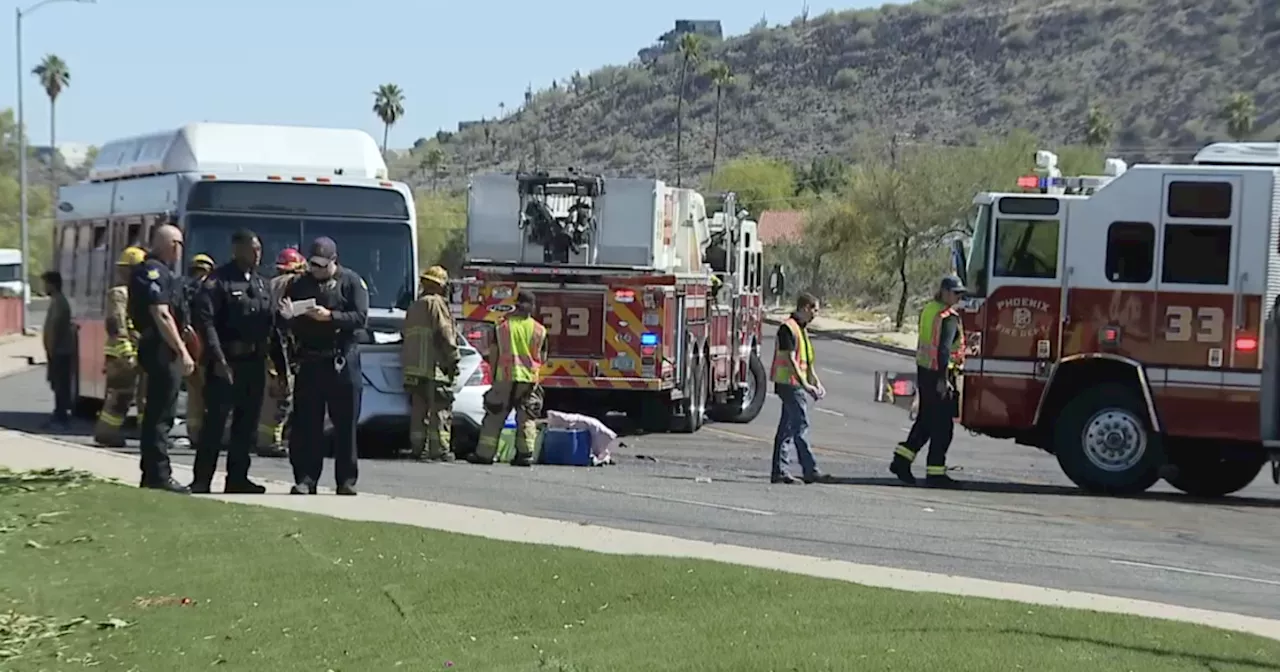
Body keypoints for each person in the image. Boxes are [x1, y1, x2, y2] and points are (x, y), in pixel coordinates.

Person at [189, 230, 284, 494]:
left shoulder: (262, 284)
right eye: (252, 249)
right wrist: (218, 360)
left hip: (254, 363)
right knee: (216, 423)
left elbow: (272, 327)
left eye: (259, 249)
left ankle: (238, 478)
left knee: (247, 424)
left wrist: (280, 368)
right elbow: (206, 325)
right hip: (227, 361)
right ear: (237, 250)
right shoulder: (217, 283)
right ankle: (202, 479)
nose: (257, 254)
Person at [279, 237, 368, 495]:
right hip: (310, 361)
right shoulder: (300, 284)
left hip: (342, 360)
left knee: (345, 424)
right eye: (312, 264)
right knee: (307, 424)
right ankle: (306, 479)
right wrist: (288, 314)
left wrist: (330, 317)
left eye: (321, 265)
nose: (315, 270)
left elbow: (360, 318)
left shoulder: (351, 282)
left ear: (333, 261)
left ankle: (346, 480)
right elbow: (287, 322)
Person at [128, 224, 195, 493]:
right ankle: (158, 474)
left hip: (162, 346)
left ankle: (154, 473)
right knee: (161, 416)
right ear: (172, 245)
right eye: (179, 244)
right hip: (160, 348)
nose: (181, 251)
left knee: (162, 413)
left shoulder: (166, 273)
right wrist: (182, 351)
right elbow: (161, 314)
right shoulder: (151, 271)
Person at [891, 275, 967, 488]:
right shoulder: (947, 317)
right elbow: (943, 350)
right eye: (955, 293)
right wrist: (944, 379)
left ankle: (901, 460)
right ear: (944, 292)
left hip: (925, 372)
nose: (959, 297)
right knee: (943, 427)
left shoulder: (928, 310)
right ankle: (935, 473)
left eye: (961, 293)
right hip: (940, 375)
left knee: (926, 421)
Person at [469, 290, 547, 467]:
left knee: (495, 414)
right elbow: (542, 357)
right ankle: (525, 454)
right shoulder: (539, 330)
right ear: (532, 307)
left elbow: (494, 353)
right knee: (526, 416)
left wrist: (494, 375)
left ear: (516, 304)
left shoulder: (503, 326)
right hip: (528, 379)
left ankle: (485, 454)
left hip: (505, 376)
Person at [769, 292, 834, 485]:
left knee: (787, 429)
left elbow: (806, 361)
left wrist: (816, 382)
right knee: (800, 426)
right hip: (789, 384)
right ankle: (810, 470)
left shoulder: (801, 329)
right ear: (805, 308)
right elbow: (790, 360)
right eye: (815, 309)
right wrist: (806, 385)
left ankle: (779, 472)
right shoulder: (787, 328)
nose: (816, 314)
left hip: (795, 384)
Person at [402, 265, 460, 461]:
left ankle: (418, 448)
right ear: (440, 286)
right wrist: (453, 359)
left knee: (419, 410)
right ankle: (439, 449)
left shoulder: (414, 306)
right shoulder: (436, 304)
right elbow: (445, 334)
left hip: (413, 369)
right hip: (434, 367)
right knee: (440, 409)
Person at [93, 246, 147, 446]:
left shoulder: (139, 292)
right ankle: (106, 433)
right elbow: (116, 323)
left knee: (143, 395)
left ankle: (146, 433)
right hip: (122, 353)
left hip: (136, 351)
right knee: (121, 394)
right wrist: (125, 351)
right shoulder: (119, 293)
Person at [256, 247, 306, 458]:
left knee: (269, 396)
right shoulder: (291, 285)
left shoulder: (269, 284)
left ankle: (266, 438)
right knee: (281, 396)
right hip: (282, 349)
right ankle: (269, 442)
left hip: (267, 347)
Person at [182, 253, 216, 448]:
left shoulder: (183, 288)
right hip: (204, 346)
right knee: (205, 392)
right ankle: (203, 434)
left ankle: (195, 433)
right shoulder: (210, 289)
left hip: (192, 346)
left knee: (195, 392)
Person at [41, 271, 74, 430]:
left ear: (53, 284)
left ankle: (61, 417)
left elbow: (54, 328)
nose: (44, 287)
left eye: (46, 283)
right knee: (57, 384)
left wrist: (51, 349)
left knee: (60, 384)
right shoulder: (56, 301)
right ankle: (59, 414)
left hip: (60, 351)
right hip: (57, 350)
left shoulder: (59, 302)